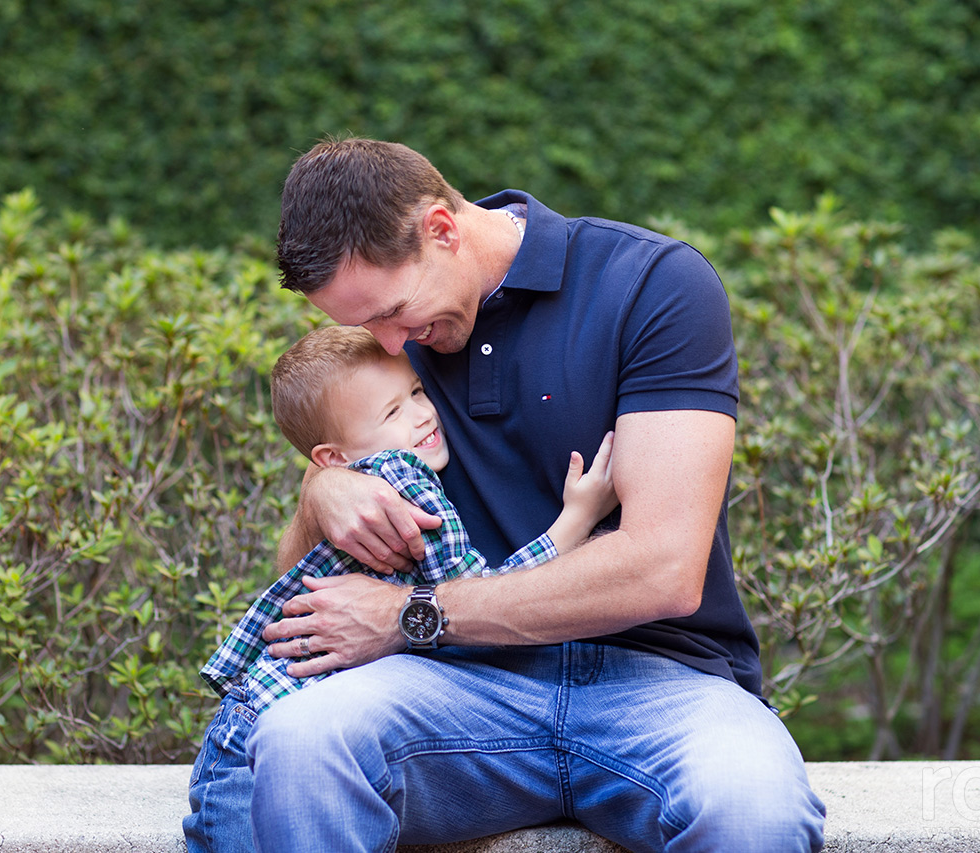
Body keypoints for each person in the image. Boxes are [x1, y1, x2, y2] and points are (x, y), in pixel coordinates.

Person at [185, 138, 826, 853]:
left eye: (395, 313)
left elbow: (663, 569)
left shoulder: (650, 283)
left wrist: (412, 614)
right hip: (450, 690)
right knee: (302, 741)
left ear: (442, 228)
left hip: (660, 681)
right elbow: (306, 571)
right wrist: (322, 492)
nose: (393, 346)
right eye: (365, 326)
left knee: (754, 811)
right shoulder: (390, 343)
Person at [196, 323, 618, 714]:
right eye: (391, 413)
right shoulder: (401, 477)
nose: (422, 415)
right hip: (288, 716)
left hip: (262, 704)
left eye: (416, 392)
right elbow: (477, 594)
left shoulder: (359, 469)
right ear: (333, 459)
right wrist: (578, 518)